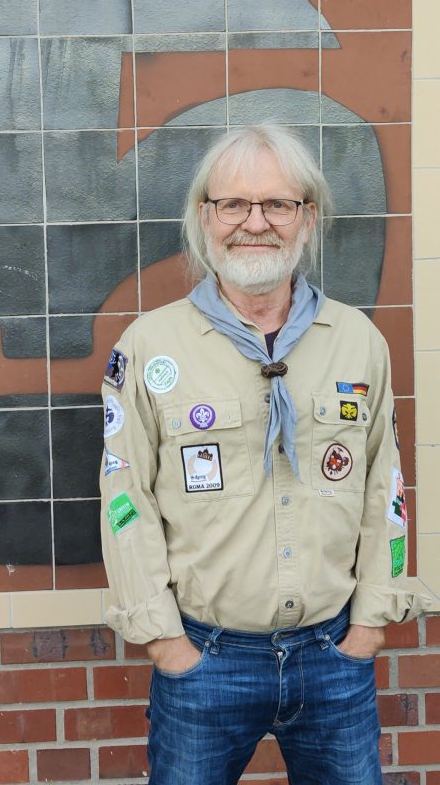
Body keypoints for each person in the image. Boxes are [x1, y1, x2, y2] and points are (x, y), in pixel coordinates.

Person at [99, 124, 426, 785]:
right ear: (205, 218)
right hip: (205, 661)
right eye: (234, 205)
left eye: (278, 204)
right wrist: (164, 640)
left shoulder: (357, 342)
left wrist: (369, 624)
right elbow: (124, 494)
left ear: (307, 219)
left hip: (333, 657)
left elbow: (382, 487)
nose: (256, 223)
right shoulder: (150, 346)